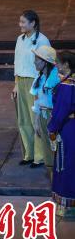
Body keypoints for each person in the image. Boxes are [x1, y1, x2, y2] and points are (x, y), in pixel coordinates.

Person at [12, 10, 50, 167]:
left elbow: (47, 63)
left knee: (36, 119)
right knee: (24, 120)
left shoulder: (42, 40)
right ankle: (29, 154)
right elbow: (17, 62)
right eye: (20, 21)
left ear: (33, 23)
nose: (20, 25)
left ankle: (39, 156)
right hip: (21, 82)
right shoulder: (20, 39)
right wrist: (16, 84)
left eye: (23, 22)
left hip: (35, 83)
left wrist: (42, 86)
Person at [48, 51, 75, 219]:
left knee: (66, 165)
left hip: (69, 129)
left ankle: (65, 204)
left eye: (58, 62)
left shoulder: (67, 86)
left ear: (66, 64)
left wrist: (52, 128)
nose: (56, 65)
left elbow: (60, 112)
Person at [30, 45, 59, 169]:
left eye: (37, 59)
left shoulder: (56, 79)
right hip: (43, 115)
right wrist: (37, 121)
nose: (34, 62)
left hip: (53, 116)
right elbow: (38, 101)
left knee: (56, 147)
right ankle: (51, 173)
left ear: (45, 62)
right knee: (47, 149)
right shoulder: (40, 78)